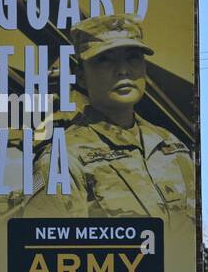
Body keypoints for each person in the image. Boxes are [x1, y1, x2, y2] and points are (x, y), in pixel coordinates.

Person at [22, 14, 195, 223]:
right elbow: (49, 247)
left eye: (133, 57)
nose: (123, 70)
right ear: (81, 76)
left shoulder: (172, 147)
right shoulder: (62, 159)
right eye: (104, 59)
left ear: (144, 68)